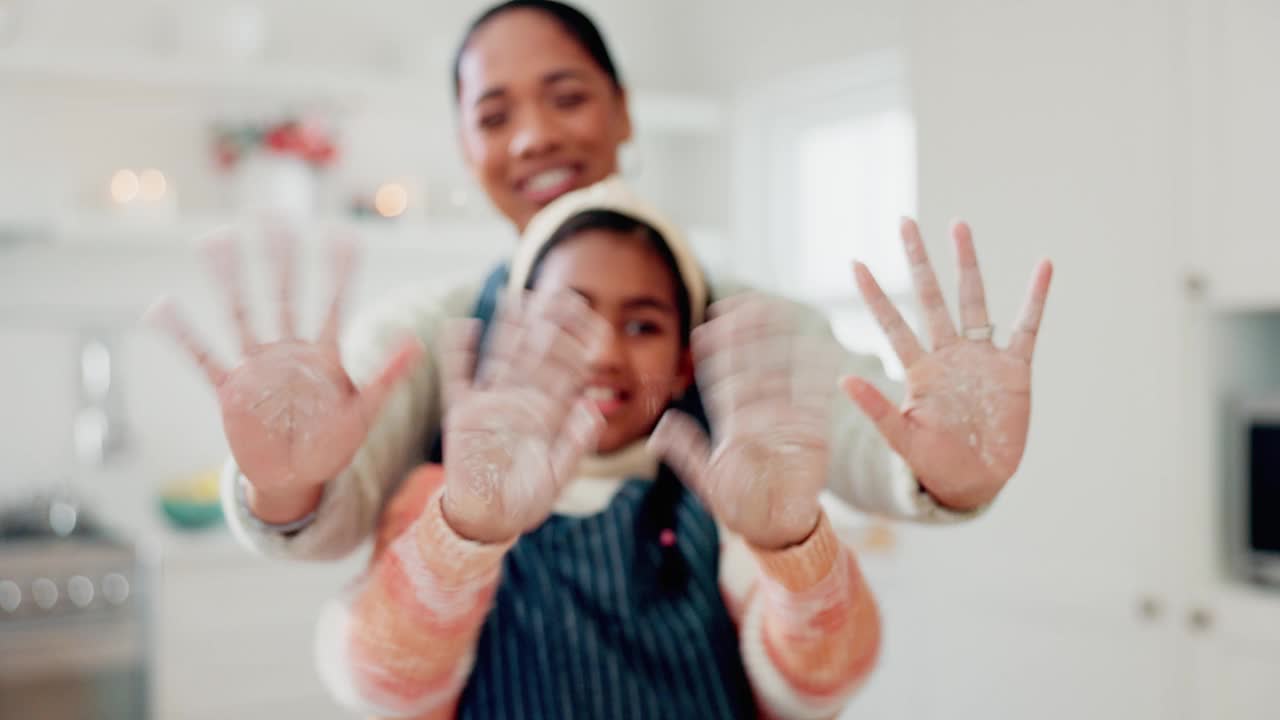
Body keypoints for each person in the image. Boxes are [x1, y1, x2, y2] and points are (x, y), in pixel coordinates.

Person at [151, 0, 1053, 565]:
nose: (534, 135)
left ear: (624, 113)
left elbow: (879, 449)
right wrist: (284, 483)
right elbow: (331, 513)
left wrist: (946, 476)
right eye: (494, 115)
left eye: (568, 96)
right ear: (467, 148)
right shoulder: (427, 336)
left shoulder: (749, 329)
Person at [315, 178, 880, 719]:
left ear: (685, 366)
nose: (605, 352)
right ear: (515, 337)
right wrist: (463, 538)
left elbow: (814, 695)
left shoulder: (733, 507)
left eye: (642, 327)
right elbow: (379, 686)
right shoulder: (441, 501)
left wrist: (792, 549)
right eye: (570, 318)